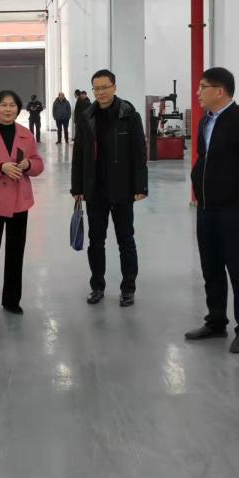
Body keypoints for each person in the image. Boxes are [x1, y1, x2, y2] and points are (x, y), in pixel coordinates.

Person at [185, 67, 239, 354]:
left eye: (203, 87)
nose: (198, 92)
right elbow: (203, 158)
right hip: (207, 207)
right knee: (211, 267)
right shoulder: (205, 121)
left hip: (235, 209)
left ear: (219, 91)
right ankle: (216, 321)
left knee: (238, 268)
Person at [71, 69, 148, 307]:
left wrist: (140, 185)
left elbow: (139, 152)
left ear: (114, 87)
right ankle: (97, 286)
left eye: (105, 87)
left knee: (126, 239)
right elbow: (78, 154)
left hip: (122, 188)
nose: (101, 92)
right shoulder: (86, 116)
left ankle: (128, 288)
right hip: (95, 189)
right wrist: (77, 187)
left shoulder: (129, 114)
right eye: (96, 88)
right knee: (96, 240)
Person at [0, 90, 45, 320]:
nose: (8, 109)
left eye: (12, 105)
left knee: (15, 252)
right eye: (3, 105)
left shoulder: (26, 135)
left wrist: (28, 164)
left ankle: (12, 300)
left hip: (19, 202)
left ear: (18, 109)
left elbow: (38, 164)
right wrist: (0, 167)